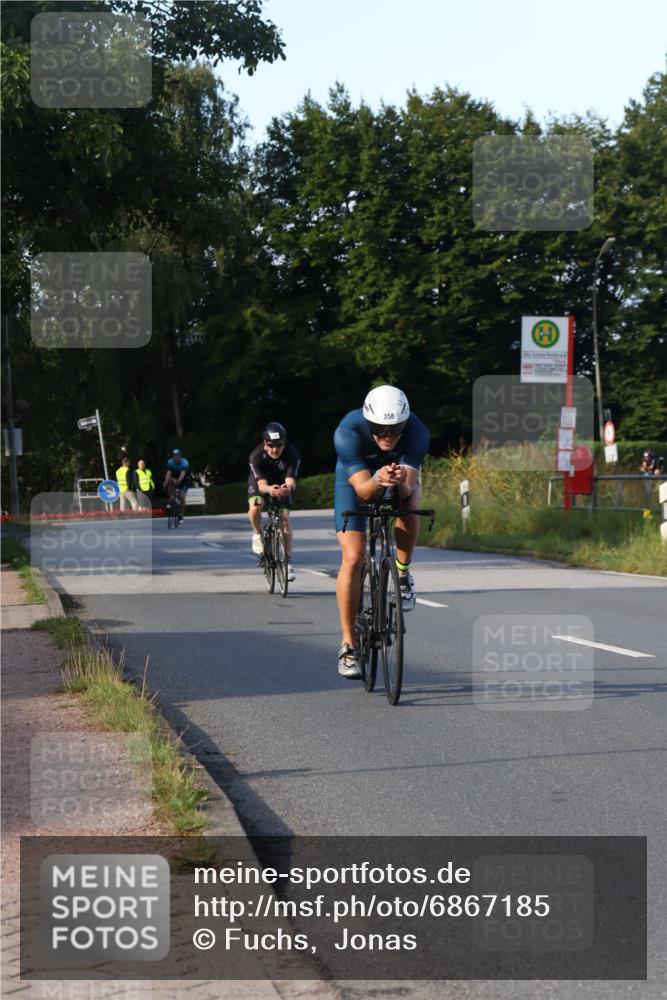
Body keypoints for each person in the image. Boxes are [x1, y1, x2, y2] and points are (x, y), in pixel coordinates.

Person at [333, 385, 430, 678]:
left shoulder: (417, 432)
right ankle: (348, 644)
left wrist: (399, 482)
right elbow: (363, 491)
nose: (388, 436)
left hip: (395, 478)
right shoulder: (347, 431)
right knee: (353, 557)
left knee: (411, 503)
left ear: (405, 422)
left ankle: (402, 572)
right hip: (357, 480)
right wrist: (378, 478)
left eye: (395, 429)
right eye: (379, 430)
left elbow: (408, 488)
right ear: (368, 422)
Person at [247, 422, 300, 581]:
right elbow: (262, 486)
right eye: (271, 445)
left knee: (284, 519)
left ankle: (288, 561)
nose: (275, 449)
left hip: (281, 483)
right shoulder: (255, 456)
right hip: (260, 484)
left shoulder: (292, 453)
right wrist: (270, 490)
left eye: (279, 445)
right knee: (256, 507)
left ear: (284, 443)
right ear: (265, 444)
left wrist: (287, 489)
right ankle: (257, 534)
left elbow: (291, 481)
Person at [164, 449, 191, 522]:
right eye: (174, 456)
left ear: (180, 456)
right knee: (169, 482)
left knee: (182, 497)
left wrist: (179, 480)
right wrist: (166, 481)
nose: (176, 458)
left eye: (177, 456)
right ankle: (171, 497)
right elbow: (168, 472)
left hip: (184, 480)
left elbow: (183, 473)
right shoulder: (170, 462)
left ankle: (181, 515)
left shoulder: (184, 462)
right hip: (174, 478)